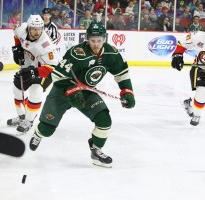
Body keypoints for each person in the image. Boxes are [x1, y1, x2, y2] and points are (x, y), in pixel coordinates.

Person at [29, 21, 136, 168]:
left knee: (104, 121)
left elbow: (122, 74)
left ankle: (96, 152)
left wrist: (127, 92)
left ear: (104, 38)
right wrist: (73, 91)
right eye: (92, 40)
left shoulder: (111, 53)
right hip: (62, 91)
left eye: (99, 40)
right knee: (47, 130)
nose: (96, 44)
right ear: (87, 38)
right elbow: (58, 77)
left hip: (85, 91)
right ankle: (38, 134)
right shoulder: (76, 53)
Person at [7, 14, 60, 134]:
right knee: (17, 89)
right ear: (28, 28)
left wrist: (33, 72)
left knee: (35, 91)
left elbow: (53, 68)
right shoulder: (22, 29)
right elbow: (16, 34)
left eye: (39, 29)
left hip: (43, 70)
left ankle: (29, 120)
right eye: (34, 29)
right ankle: (22, 117)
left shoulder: (46, 46)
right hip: (29, 66)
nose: (37, 32)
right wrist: (17, 48)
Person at [171, 20, 205, 126]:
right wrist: (177, 54)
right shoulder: (197, 36)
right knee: (203, 91)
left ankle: (189, 103)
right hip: (198, 68)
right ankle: (197, 115)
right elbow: (182, 43)